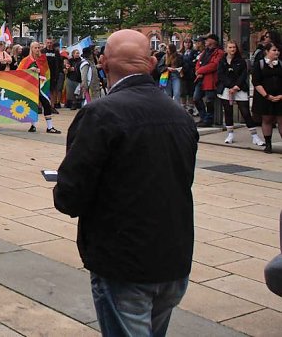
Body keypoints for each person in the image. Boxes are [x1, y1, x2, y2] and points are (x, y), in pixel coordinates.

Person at [54, 29, 198, 337]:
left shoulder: (100, 113)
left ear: (103, 62)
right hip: (173, 256)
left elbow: (70, 195)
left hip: (124, 261)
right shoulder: (180, 114)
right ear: (151, 62)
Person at [217, 41, 265, 147]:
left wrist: (236, 86)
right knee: (228, 112)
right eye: (230, 47)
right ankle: (230, 134)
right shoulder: (222, 60)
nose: (232, 49)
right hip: (226, 89)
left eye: (234, 47)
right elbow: (220, 74)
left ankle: (255, 136)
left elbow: (243, 75)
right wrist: (230, 86)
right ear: (226, 48)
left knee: (245, 112)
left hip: (239, 88)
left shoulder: (241, 61)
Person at [18, 42, 61, 134]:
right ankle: (33, 126)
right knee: (33, 105)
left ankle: (50, 127)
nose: (37, 49)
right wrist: (30, 70)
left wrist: (40, 72)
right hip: (30, 86)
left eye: (38, 47)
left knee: (46, 104)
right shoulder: (26, 60)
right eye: (35, 48)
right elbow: (19, 72)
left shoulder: (43, 58)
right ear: (31, 49)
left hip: (42, 85)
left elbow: (46, 70)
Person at [252, 40, 282, 154]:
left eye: (278, 50)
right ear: (267, 51)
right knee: (267, 119)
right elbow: (256, 81)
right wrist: (267, 96)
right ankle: (268, 144)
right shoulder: (259, 64)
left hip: (280, 97)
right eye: (274, 50)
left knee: (281, 120)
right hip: (265, 97)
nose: (277, 52)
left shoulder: (280, 64)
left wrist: (280, 96)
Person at [194, 34, 224, 127]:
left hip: (210, 81)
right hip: (200, 79)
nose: (205, 41)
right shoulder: (205, 52)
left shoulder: (219, 52)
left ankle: (208, 120)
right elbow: (198, 63)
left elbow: (214, 65)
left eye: (207, 40)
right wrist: (198, 70)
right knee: (196, 98)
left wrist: (199, 71)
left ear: (213, 41)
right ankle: (203, 117)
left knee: (209, 101)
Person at [180, 38, 198, 115]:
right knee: (183, 91)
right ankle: (183, 106)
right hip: (183, 75)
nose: (187, 44)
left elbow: (195, 63)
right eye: (186, 42)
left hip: (191, 74)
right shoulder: (181, 53)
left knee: (191, 91)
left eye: (189, 43)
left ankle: (191, 107)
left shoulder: (194, 52)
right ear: (183, 44)